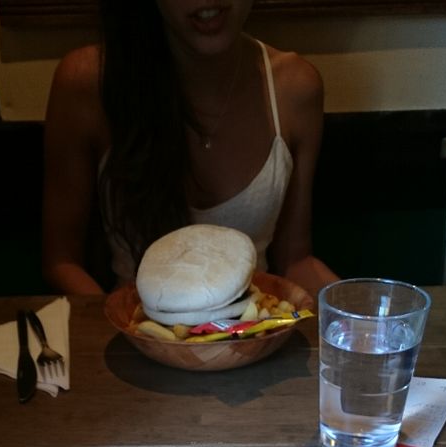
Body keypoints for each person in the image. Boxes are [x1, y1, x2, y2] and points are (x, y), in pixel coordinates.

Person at [42, 0, 338, 302]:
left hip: (252, 334)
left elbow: (295, 261)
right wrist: (123, 323)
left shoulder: (296, 87)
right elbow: (61, 262)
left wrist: (362, 318)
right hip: (133, 328)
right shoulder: (88, 79)